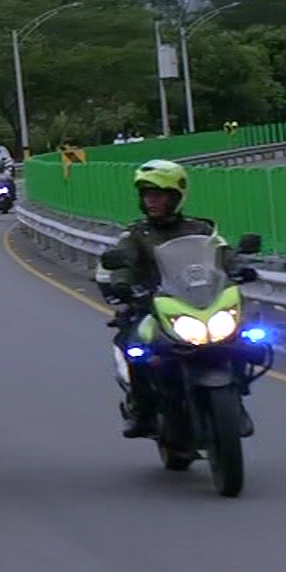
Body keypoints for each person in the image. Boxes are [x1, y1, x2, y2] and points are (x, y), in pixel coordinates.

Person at [95, 159, 221, 437]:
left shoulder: (199, 229)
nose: (152, 201)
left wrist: (239, 268)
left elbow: (222, 253)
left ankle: (235, 394)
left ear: (175, 197)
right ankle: (143, 411)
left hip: (197, 302)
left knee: (245, 336)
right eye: (147, 195)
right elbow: (123, 263)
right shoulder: (137, 233)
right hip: (151, 305)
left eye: (159, 195)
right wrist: (122, 285)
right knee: (137, 348)